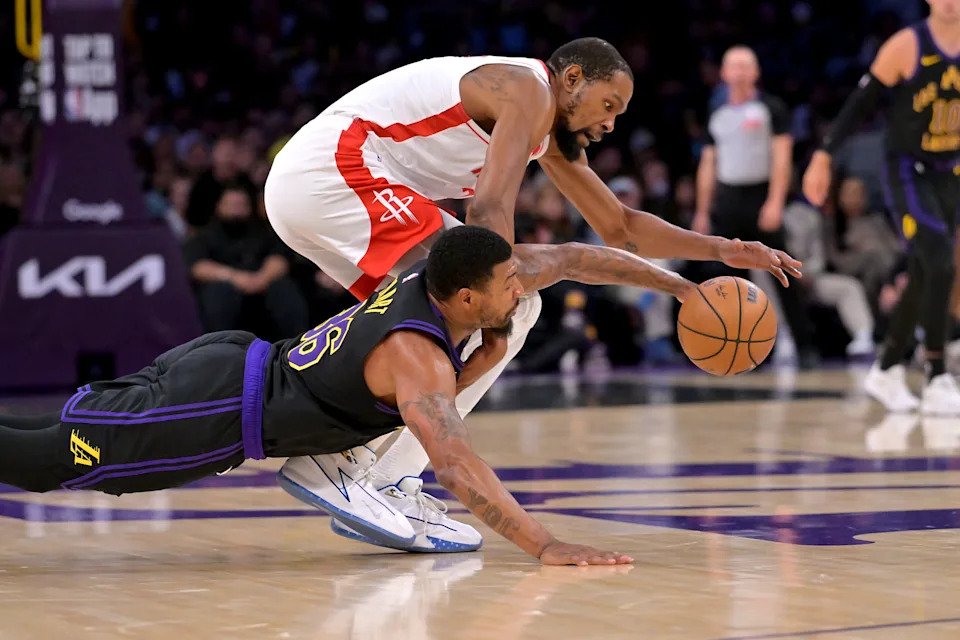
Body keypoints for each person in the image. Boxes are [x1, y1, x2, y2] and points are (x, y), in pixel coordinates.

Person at [264, 37, 802, 553]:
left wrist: (726, 249)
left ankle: (357, 466)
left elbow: (619, 227)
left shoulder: (543, 126)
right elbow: (489, 210)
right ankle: (362, 470)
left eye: (619, 114)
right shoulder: (528, 90)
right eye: (607, 104)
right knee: (510, 302)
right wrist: (498, 296)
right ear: (572, 78)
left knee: (415, 329)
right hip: (337, 171)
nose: (611, 123)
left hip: (312, 187)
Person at [0, 227, 704, 565]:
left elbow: (576, 257)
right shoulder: (418, 358)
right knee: (46, 462)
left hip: (229, 366)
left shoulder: (436, 274)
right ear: (466, 297)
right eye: (508, 287)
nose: (521, 290)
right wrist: (545, 544)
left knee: (45, 442)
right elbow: (457, 466)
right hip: (215, 412)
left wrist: (682, 287)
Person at [802, 0, 960, 414]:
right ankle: (937, 373)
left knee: (928, 266)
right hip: (908, 170)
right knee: (941, 261)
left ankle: (887, 368)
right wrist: (824, 156)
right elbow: (859, 104)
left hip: (951, 170)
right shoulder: (908, 45)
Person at [692, 45, 819, 369]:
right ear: (723, 73)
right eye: (733, 66)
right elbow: (708, 164)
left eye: (745, 66)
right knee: (728, 279)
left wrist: (775, 201)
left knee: (780, 271)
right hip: (728, 199)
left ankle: (805, 344)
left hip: (761, 196)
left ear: (755, 72)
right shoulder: (717, 113)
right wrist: (703, 211)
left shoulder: (770, 108)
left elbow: (782, 157)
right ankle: (737, 347)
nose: (739, 72)